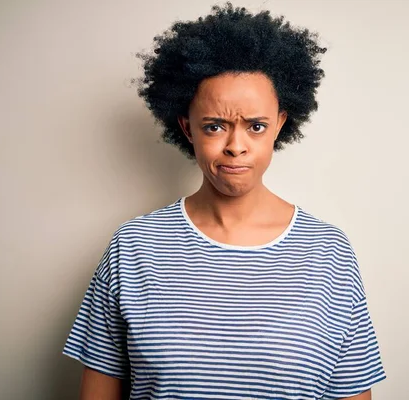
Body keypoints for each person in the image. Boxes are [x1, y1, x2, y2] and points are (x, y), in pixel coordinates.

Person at [62, 3, 386, 399]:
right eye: (215, 126)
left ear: (280, 124)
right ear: (187, 128)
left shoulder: (328, 252)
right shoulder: (134, 247)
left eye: (256, 126)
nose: (236, 147)